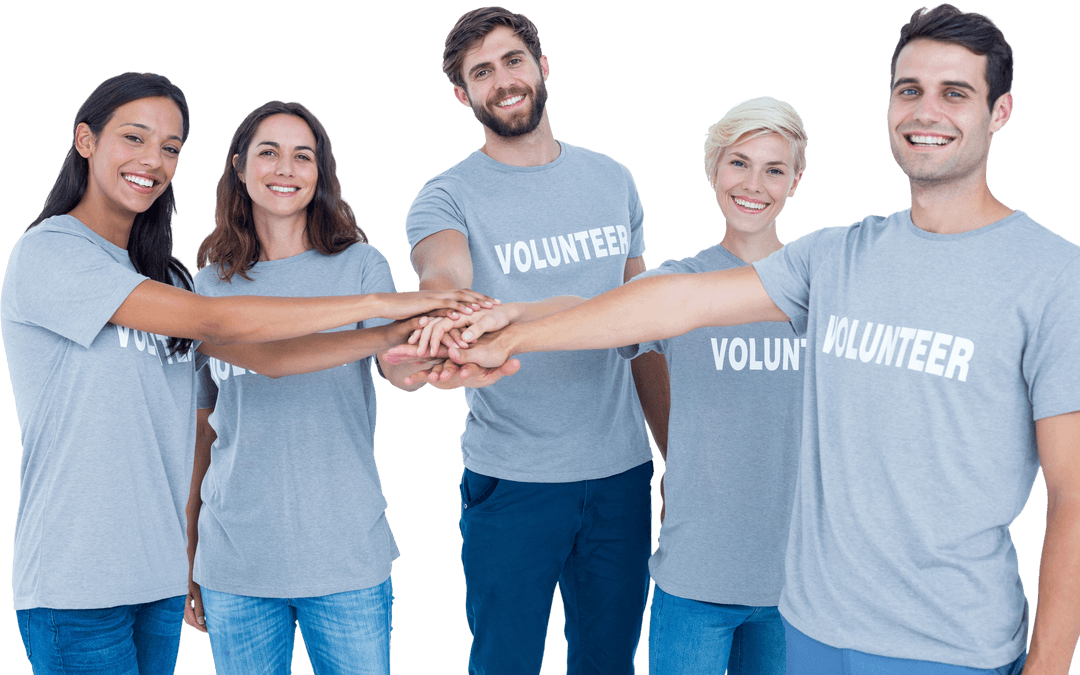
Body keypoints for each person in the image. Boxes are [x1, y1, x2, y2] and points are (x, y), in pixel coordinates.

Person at [437, 5, 1080, 673]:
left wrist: (1048, 664)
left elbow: (1074, 494)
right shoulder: (836, 257)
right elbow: (673, 300)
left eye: (956, 93)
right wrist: (513, 332)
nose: (926, 112)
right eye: (909, 90)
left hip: (953, 650)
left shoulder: (1055, 276)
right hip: (814, 633)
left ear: (1000, 111)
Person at [1, 72, 492, 675]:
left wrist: (394, 334)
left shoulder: (166, 279)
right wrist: (379, 305)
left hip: (154, 579)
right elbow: (214, 324)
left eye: (170, 147)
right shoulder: (53, 254)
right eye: (133, 137)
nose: (152, 160)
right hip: (80, 580)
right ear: (86, 140)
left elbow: (272, 360)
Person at [401, 7, 666, 674]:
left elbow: (642, 330)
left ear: (542, 67)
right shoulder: (445, 196)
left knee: (608, 661)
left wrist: (676, 454)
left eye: (513, 60)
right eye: (481, 72)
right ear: (463, 94)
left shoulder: (614, 179)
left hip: (621, 475)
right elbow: (444, 274)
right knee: (504, 662)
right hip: (513, 482)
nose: (503, 80)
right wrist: (449, 307)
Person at [183, 100, 439, 675]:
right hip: (235, 563)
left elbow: (398, 368)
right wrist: (190, 544)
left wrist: (429, 359)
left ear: (319, 173)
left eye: (303, 156)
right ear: (239, 167)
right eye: (268, 153)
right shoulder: (207, 288)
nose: (285, 168)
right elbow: (203, 426)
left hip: (345, 557)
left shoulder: (361, 266)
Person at [625, 96, 807, 675]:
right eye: (739, 163)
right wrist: (500, 324)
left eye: (774, 169)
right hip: (694, 579)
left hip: (798, 587)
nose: (753, 184)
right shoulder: (677, 283)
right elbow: (583, 315)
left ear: (795, 181)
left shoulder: (823, 288)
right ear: (714, 170)